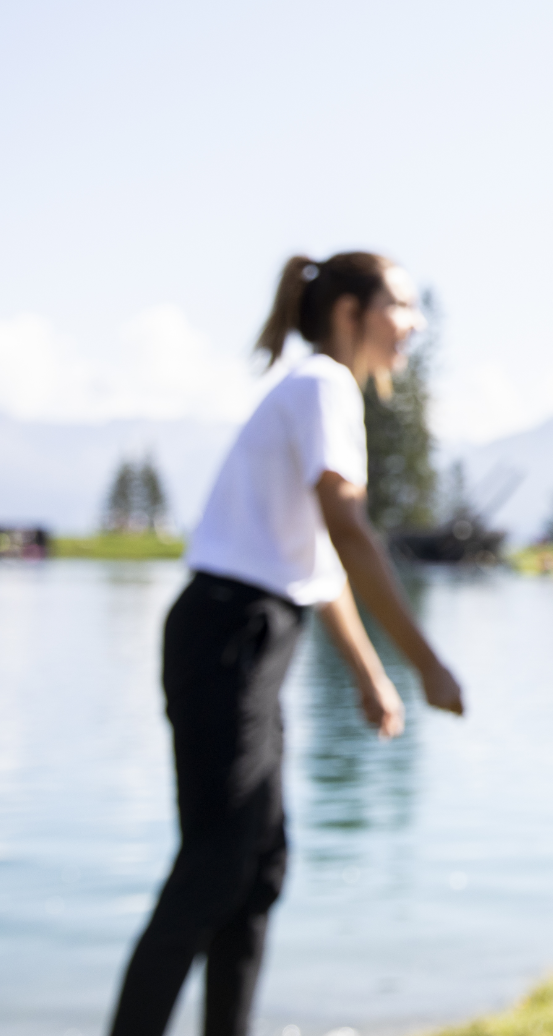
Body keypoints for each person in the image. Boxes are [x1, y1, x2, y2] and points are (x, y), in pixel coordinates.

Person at [110, 253, 466, 1036]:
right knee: (215, 863)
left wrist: (370, 671)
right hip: (229, 631)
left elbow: (317, 555)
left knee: (256, 866)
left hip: (247, 632)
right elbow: (348, 528)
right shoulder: (325, 385)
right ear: (349, 311)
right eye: (399, 305)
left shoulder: (316, 389)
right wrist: (426, 661)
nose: (412, 324)